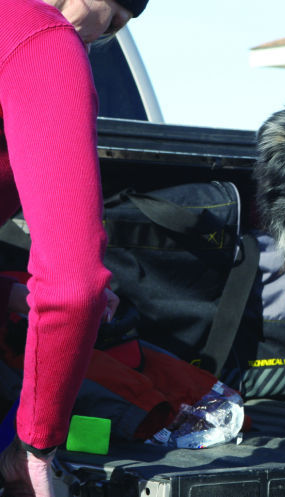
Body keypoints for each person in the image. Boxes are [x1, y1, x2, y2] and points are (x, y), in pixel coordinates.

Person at [0, 0, 149, 495]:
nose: (102, 37)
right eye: (116, 20)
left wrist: (8, 295)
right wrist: (37, 446)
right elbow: (72, 287)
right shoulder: (42, 35)